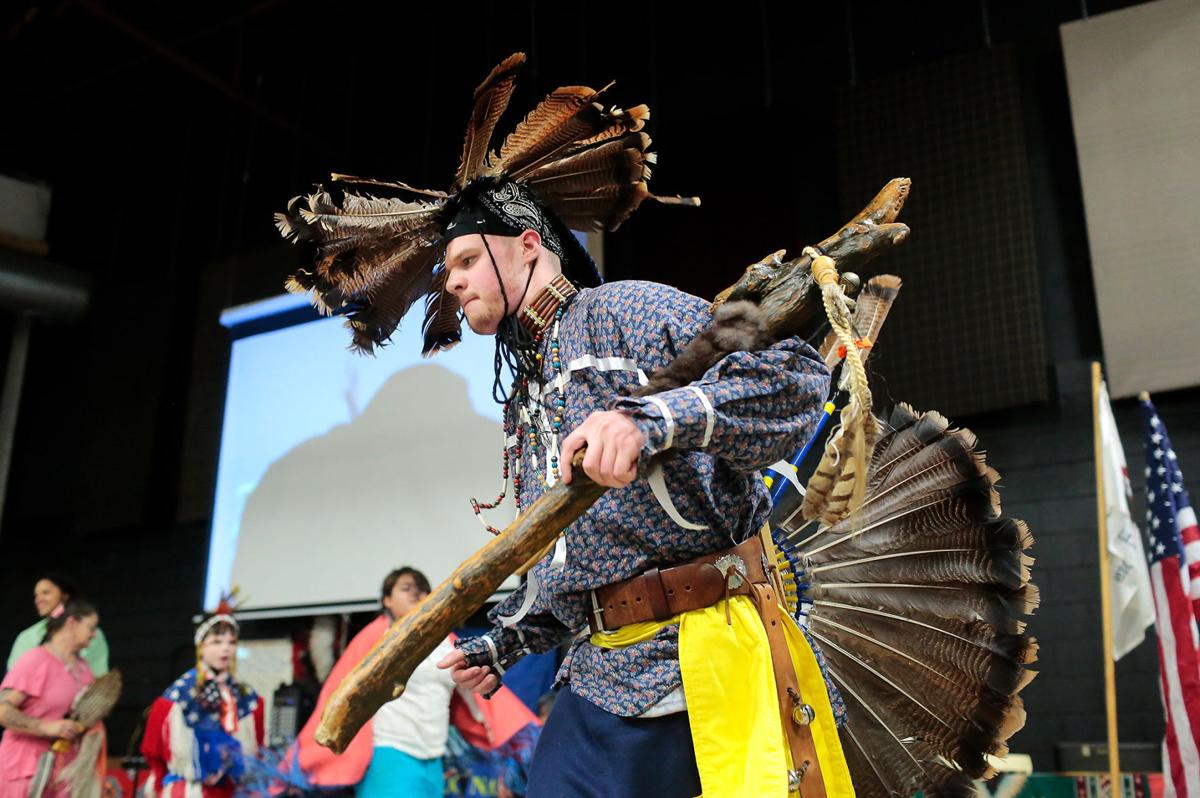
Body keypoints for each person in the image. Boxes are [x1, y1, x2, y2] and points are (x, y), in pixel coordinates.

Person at [276, 54, 853, 796]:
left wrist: (653, 420)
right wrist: (512, 638)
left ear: (526, 246)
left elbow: (791, 378)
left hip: (699, 660)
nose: (448, 282)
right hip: (599, 674)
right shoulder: (525, 396)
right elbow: (571, 560)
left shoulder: (626, 311)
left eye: (461, 259)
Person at [292, 567, 537, 795]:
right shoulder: (376, 637)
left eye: (422, 590)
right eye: (406, 588)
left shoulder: (444, 641)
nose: (416, 594)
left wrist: (513, 736)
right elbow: (340, 693)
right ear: (387, 600)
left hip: (434, 758)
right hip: (391, 752)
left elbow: (480, 697)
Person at [141, 598, 263, 797]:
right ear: (201, 646)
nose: (226, 648)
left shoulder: (246, 699)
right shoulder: (178, 696)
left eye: (231, 642)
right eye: (217, 642)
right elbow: (153, 750)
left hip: (231, 790)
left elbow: (257, 751)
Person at [0, 598, 103, 798]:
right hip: (26, 770)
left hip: (64, 772)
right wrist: (45, 727)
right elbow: (3, 710)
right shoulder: (36, 660)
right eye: (91, 627)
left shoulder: (84, 669)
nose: (94, 634)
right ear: (72, 622)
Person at [7, 573, 109, 676]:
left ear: (65, 595)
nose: (38, 600)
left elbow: (99, 678)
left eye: (45, 592)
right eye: (36, 596)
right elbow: (14, 681)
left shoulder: (92, 634)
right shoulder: (27, 637)